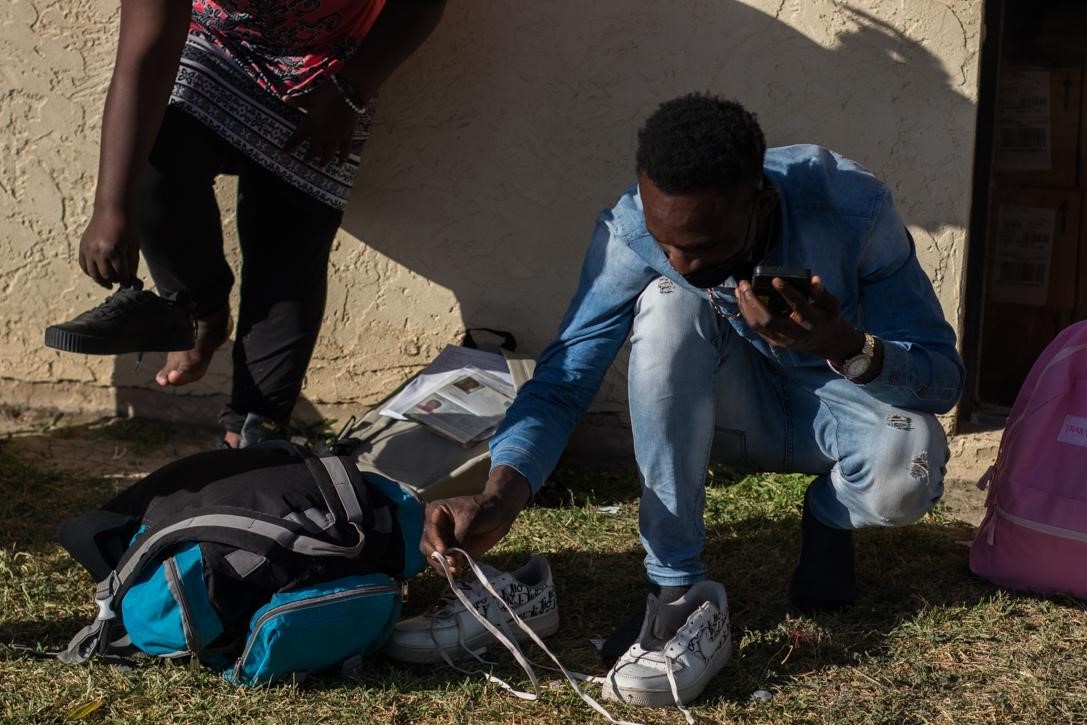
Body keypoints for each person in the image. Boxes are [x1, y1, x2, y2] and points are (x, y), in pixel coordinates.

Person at [420, 93, 965, 663]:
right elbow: (565, 378)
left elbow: (942, 381)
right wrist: (497, 497)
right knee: (667, 301)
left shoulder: (852, 206)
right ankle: (675, 588)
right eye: (666, 243)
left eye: (703, 246)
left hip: (835, 411)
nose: (679, 260)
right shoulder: (631, 229)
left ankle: (829, 515)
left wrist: (841, 343)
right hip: (723, 413)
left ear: (762, 203)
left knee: (910, 464)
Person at [58, 0, 444, 448]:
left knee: (287, 252)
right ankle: (198, 312)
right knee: (154, 160)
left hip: (328, 69)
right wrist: (112, 207)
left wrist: (350, 91)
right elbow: (144, 57)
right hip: (214, 46)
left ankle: (250, 433)